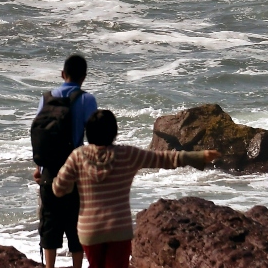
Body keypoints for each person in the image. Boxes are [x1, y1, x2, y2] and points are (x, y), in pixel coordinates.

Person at [52, 110, 220, 268]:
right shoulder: (127, 154)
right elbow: (163, 158)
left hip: (90, 229)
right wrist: (197, 157)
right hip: (119, 228)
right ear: (114, 132)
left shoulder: (78, 156)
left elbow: (59, 188)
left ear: (88, 133)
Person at [33, 55, 98, 268]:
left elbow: (41, 134)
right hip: (75, 172)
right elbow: (95, 138)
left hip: (48, 172)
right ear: (84, 77)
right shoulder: (87, 100)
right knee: (76, 226)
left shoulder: (46, 98)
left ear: (63, 74)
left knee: (50, 224)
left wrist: (40, 168)